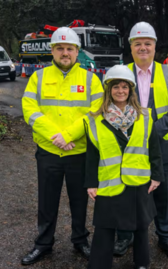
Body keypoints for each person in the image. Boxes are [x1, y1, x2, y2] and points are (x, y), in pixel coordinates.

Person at [20, 27, 104, 265]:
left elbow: (95, 113)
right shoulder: (38, 77)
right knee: (47, 200)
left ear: (77, 51)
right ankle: (43, 244)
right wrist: (56, 137)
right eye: (60, 48)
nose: (65, 53)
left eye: (69, 48)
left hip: (79, 151)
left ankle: (80, 241)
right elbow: (30, 111)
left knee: (80, 200)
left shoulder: (91, 79)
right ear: (53, 51)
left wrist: (68, 135)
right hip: (49, 151)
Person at [114, 22, 168, 261]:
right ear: (131, 47)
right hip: (129, 146)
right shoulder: (119, 72)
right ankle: (126, 235)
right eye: (138, 44)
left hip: (165, 146)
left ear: (155, 46)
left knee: (165, 195)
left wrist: (150, 132)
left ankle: (166, 237)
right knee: (129, 193)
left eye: (147, 43)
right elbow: (111, 106)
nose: (143, 48)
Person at [85, 65, 164, 269]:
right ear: (108, 90)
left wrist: (156, 176)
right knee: (104, 227)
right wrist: (91, 183)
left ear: (131, 90)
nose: (121, 91)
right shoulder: (95, 119)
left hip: (138, 181)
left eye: (125, 87)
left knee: (140, 226)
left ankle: (141, 263)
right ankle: (99, 264)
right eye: (116, 87)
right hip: (110, 182)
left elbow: (154, 148)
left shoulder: (145, 117)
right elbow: (92, 155)